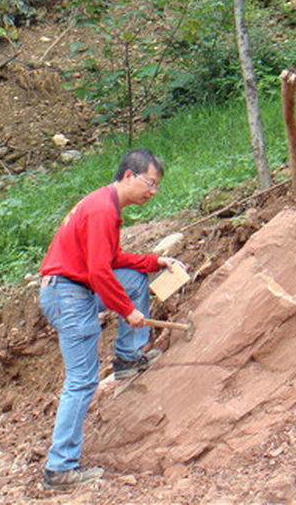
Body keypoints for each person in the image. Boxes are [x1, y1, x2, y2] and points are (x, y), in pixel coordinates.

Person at [38, 148, 184, 490]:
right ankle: (59, 469)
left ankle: (128, 359)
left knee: (135, 282)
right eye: (150, 182)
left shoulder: (105, 205)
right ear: (129, 176)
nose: (153, 191)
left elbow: (112, 258)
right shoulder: (103, 210)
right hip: (67, 293)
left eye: (157, 185)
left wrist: (154, 262)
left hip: (74, 287)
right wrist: (128, 311)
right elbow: (99, 272)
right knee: (82, 380)